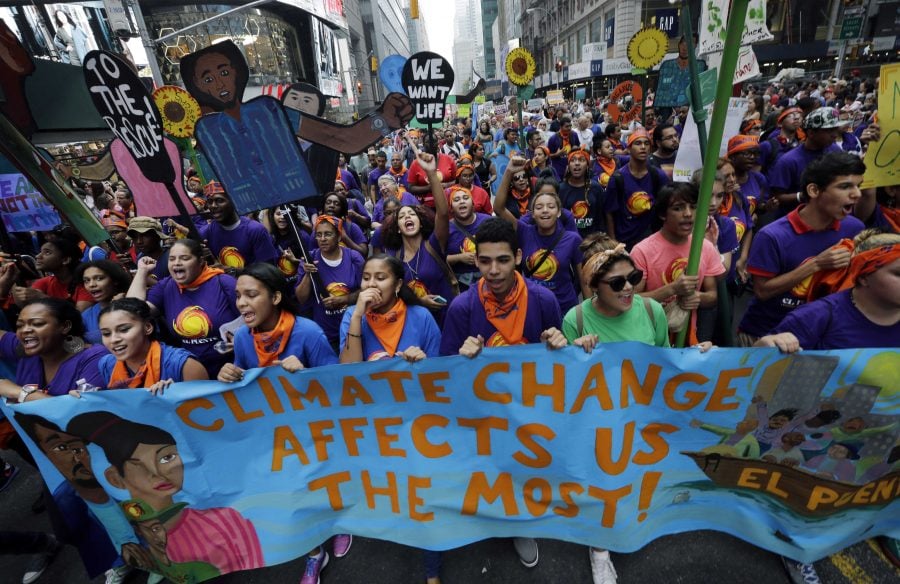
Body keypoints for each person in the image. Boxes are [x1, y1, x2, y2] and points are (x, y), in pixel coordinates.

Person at [439, 217, 566, 571]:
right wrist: (461, 361)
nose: (493, 271)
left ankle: (520, 524)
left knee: (524, 471)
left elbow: (558, 364)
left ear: (519, 257)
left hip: (529, 411)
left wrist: (560, 345)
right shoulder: (462, 308)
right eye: (485, 261)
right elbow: (444, 373)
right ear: (475, 260)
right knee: (491, 470)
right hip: (484, 414)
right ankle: (493, 515)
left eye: (503, 260)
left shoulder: (543, 299)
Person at [66, 412, 265, 575]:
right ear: (115, 478)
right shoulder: (133, 530)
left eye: (166, 457)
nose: (157, 473)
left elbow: (257, 559)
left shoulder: (228, 520)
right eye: (138, 466)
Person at [737, 152, 866, 345]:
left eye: (859, 186)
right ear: (814, 191)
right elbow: (762, 291)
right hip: (767, 336)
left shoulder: (855, 229)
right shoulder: (772, 236)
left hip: (822, 337)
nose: (857, 194)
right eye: (845, 186)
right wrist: (817, 264)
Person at [755, 230, 899, 351]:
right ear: (864, 277)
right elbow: (756, 366)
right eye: (898, 273)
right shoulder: (815, 317)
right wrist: (767, 345)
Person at [127, 239, 240, 377]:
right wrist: (142, 272)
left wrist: (240, 341)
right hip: (193, 373)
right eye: (172, 259)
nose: (177, 263)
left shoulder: (224, 283)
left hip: (233, 369)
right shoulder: (166, 287)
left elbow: (251, 321)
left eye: (184, 258)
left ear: (201, 261)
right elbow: (131, 312)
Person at [631, 182, 725, 345]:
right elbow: (631, 300)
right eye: (678, 208)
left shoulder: (705, 247)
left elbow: (712, 296)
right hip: (647, 340)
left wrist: (698, 297)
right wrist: (673, 289)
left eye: (693, 207)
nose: (688, 214)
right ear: (662, 214)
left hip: (686, 338)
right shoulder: (642, 251)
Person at [494, 157, 589, 313]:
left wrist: (587, 315)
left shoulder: (573, 239)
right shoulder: (524, 231)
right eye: (539, 207)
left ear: (559, 212)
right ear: (533, 213)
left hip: (566, 308)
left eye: (550, 206)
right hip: (532, 306)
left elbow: (584, 281)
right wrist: (509, 172)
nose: (545, 210)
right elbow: (499, 208)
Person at [382, 145, 455, 322]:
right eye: (402, 216)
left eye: (412, 215)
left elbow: (443, 213)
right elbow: (393, 293)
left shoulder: (434, 245)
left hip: (446, 320)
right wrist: (419, 301)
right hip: (413, 324)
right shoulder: (394, 256)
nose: (407, 217)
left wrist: (431, 173)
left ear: (420, 223)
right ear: (398, 227)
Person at [97, 298, 208, 391]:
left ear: (147, 327)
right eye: (106, 334)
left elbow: (208, 412)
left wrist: (175, 396)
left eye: (124, 330)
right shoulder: (107, 364)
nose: (113, 339)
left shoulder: (184, 365)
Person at [295, 217, 364, 350]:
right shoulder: (309, 259)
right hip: (324, 334)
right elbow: (301, 299)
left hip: (353, 329)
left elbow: (366, 290)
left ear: (338, 237)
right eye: (319, 235)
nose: (322, 239)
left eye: (328, 234)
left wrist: (342, 299)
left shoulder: (354, 257)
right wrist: (308, 274)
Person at [606, 129, 670, 249]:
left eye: (646, 144)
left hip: (651, 240)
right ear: (629, 149)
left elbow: (666, 208)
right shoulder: (617, 178)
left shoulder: (658, 176)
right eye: (638, 143)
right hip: (624, 240)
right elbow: (609, 212)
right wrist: (613, 241)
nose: (643, 147)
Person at [200, 181, 280, 268]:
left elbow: (269, 268)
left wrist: (230, 271)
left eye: (219, 200)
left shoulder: (255, 230)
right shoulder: (205, 233)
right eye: (210, 202)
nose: (213, 206)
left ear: (233, 201)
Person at [1, 237, 93, 310]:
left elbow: (79, 315)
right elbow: (24, 304)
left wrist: (43, 298)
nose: (37, 256)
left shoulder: (86, 284)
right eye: (40, 252)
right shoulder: (45, 282)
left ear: (65, 260)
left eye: (47, 252)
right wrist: (13, 274)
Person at [446, 186, 492, 291]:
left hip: (488, 279)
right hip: (461, 284)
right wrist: (459, 258)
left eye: (465, 198)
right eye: (456, 200)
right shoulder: (446, 229)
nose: (462, 201)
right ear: (451, 207)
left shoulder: (488, 222)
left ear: (473, 203)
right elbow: (437, 259)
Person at [75, 260, 132, 344]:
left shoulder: (132, 305)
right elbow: (77, 346)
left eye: (99, 278)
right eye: (86, 280)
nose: (91, 284)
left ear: (115, 280)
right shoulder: (86, 315)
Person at [558, 149, 610, 236]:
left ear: (587, 166)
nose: (577, 163)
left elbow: (601, 218)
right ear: (568, 166)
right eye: (573, 160)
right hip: (569, 240)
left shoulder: (596, 188)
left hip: (592, 241)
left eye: (581, 160)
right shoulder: (561, 189)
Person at [312, 191, 369, 257]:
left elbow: (364, 253)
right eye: (328, 203)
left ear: (343, 209)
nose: (331, 206)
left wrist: (345, 238)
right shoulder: (318, 230)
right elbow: (312, 256)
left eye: (336, 204)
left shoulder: (352, 227)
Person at [128, 217, 170, 282]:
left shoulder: (170, 258)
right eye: (135, 237)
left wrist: (147, 278)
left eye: (145, 235)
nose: (139, 241)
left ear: (158, 237)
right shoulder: (140, 257)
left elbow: (174, 290)